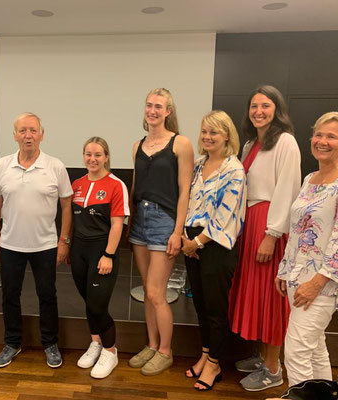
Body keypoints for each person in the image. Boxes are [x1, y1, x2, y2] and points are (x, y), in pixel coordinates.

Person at [228, 85, 301, 392]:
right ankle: (262, 357)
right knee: (256, 295)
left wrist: (272, 235)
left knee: (271, 299)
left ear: (277, 109)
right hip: (250, 223)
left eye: (266, 106)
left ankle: (273, 368)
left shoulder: (285, 142)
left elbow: (287, 189)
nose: (259, 111)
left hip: (269, 225)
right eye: (254, 106)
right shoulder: (249, 144)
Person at [0, 112, 73, 369]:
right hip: (10, 245)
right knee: (9, 296)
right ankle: (12, 342)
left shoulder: (55, 166)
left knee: (47, 295)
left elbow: (67, 206)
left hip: (45, 246)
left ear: (42, 134)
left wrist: (64, 241)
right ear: (15, 135)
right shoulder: (2, 166)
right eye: (23, 130)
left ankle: (50, 343)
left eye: (33, 130)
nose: (28, 135)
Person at [275, 111, 338, 387]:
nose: (322, 141)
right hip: (298, 279)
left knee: (295, 353)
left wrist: (317, 283)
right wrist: (284, 271)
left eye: (332, 136)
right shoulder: (310, 179)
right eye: (318, 134)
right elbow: (297, 230)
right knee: (315, 349)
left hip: (322, 284)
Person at [128, 88, 194, 376]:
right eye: (149, 105)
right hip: (140, 219)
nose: (152, 110)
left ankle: (166, 351)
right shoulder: (137, 145)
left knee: (157, 292)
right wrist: (129, 219)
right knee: (146, 290)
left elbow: (184, 191)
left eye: (159, 106)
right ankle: (152, 344)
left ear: (168, 111)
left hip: (164, 221)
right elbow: (135, 186)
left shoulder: (181, 143)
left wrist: (177, 231)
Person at [181, 110, 247, 391]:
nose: (207, 137)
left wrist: (196, 243)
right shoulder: (198, 165)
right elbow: (188, 202)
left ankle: (216, 364)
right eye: (205, 131)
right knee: (200, 305)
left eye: (214, 132)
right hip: (192, 241)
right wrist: (186, 237)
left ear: (227, 136)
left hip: (216, 245)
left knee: (216, 309)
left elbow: (225, 214)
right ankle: (206, 354)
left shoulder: (234, 170)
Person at [70, 137, 130, 379]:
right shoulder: (77, 184)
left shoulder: (116, 185)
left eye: (98, 154)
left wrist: (108, 255)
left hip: (102, 250)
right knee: (88, 301)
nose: (92, 159)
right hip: (79, 250)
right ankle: (95, 342)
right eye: (88, 154)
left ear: (106, 157)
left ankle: (110, 351)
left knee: (97, 304)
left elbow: (118, 225)